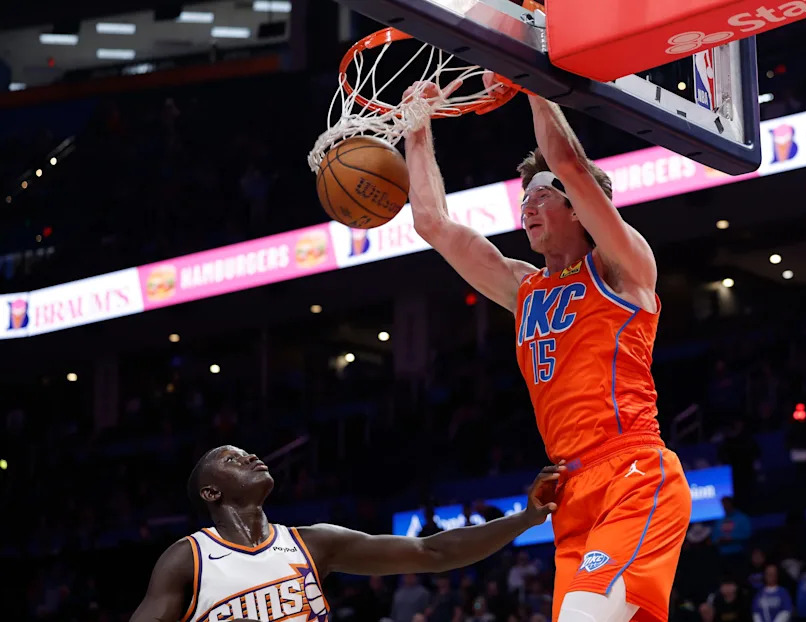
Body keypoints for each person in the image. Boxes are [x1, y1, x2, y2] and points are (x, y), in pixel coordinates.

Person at [404, 74, 691, 622]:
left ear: (580, 210)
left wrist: (530, 78)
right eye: (523, 200)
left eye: (541, 196)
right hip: (568, 491)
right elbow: (432, 223)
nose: (527, 208)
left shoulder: (622, 268)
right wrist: (418, 126)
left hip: (632, 471)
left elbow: (568, 162)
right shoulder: (524, 287)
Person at [130, 445, 561, 622]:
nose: (251, 456)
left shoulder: (313, 542)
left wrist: (522, 520)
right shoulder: (188, 558)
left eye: (247, 452)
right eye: (232, 459)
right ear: (211, 491)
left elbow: (431, 552)